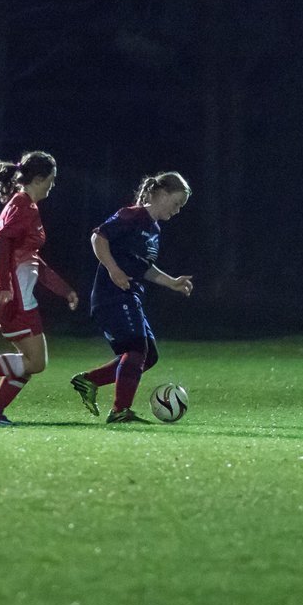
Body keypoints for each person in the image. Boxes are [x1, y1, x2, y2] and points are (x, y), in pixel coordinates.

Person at [0, 151, 78, 427]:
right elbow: (1, 240)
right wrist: (6, 286)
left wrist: (62, 288)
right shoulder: (23, 206)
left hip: (20, 293)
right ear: (39, 179)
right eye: (51, 181)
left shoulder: (25, 205)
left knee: (30, 362)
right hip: (15, 295)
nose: (52, 186)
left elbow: (30, 257)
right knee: (36, 362)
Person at [70, 171, 194, 423]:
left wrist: (172, 282)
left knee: (148, 356)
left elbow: (143, 266)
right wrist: (114, 270)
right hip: (112, 294)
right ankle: (119, 411)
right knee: (137, 349)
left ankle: (89, 381)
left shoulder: (154, 229)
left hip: (130, 296)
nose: (178, 210)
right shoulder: (133, 215)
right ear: (161, 194)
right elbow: (98, 237)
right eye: (177, 203)